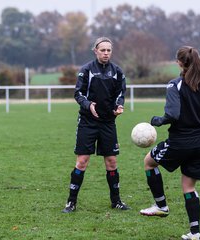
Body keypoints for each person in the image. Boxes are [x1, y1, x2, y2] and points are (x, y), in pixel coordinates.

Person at [139, 46, 200, 240]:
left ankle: (161, 205)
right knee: (189, 188)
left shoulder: (175, 85)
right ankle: (195, 233)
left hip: (180, 142)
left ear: (179, 62)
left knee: (149, 162)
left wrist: (159, 120)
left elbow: (173, 114)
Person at [62, 37, 129, 213]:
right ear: (95, 51)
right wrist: (88, 105)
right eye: (103, 50)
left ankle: (116, 201)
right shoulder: (86, 70)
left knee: (112, 162)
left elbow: (120, 94)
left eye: (109, 50)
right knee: (82, 161)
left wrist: (119, 106)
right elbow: (78, 94)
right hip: (87, 122)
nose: (106, 53)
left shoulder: (117, 72)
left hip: (108, 122)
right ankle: (71, 202)